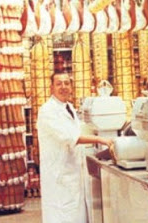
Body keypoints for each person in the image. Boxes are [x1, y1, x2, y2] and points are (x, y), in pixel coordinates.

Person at [37, 73, 114, 223]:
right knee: (61, 215)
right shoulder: (48, 111)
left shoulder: (69, 108)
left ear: (71, 87)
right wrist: (101, 139)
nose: (63, 87)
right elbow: (71, 137)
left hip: (72, 171)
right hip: (59, 174)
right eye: (59, 84)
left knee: (75, 214)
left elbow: (77, 132)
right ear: (51, 87)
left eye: (67, 83)